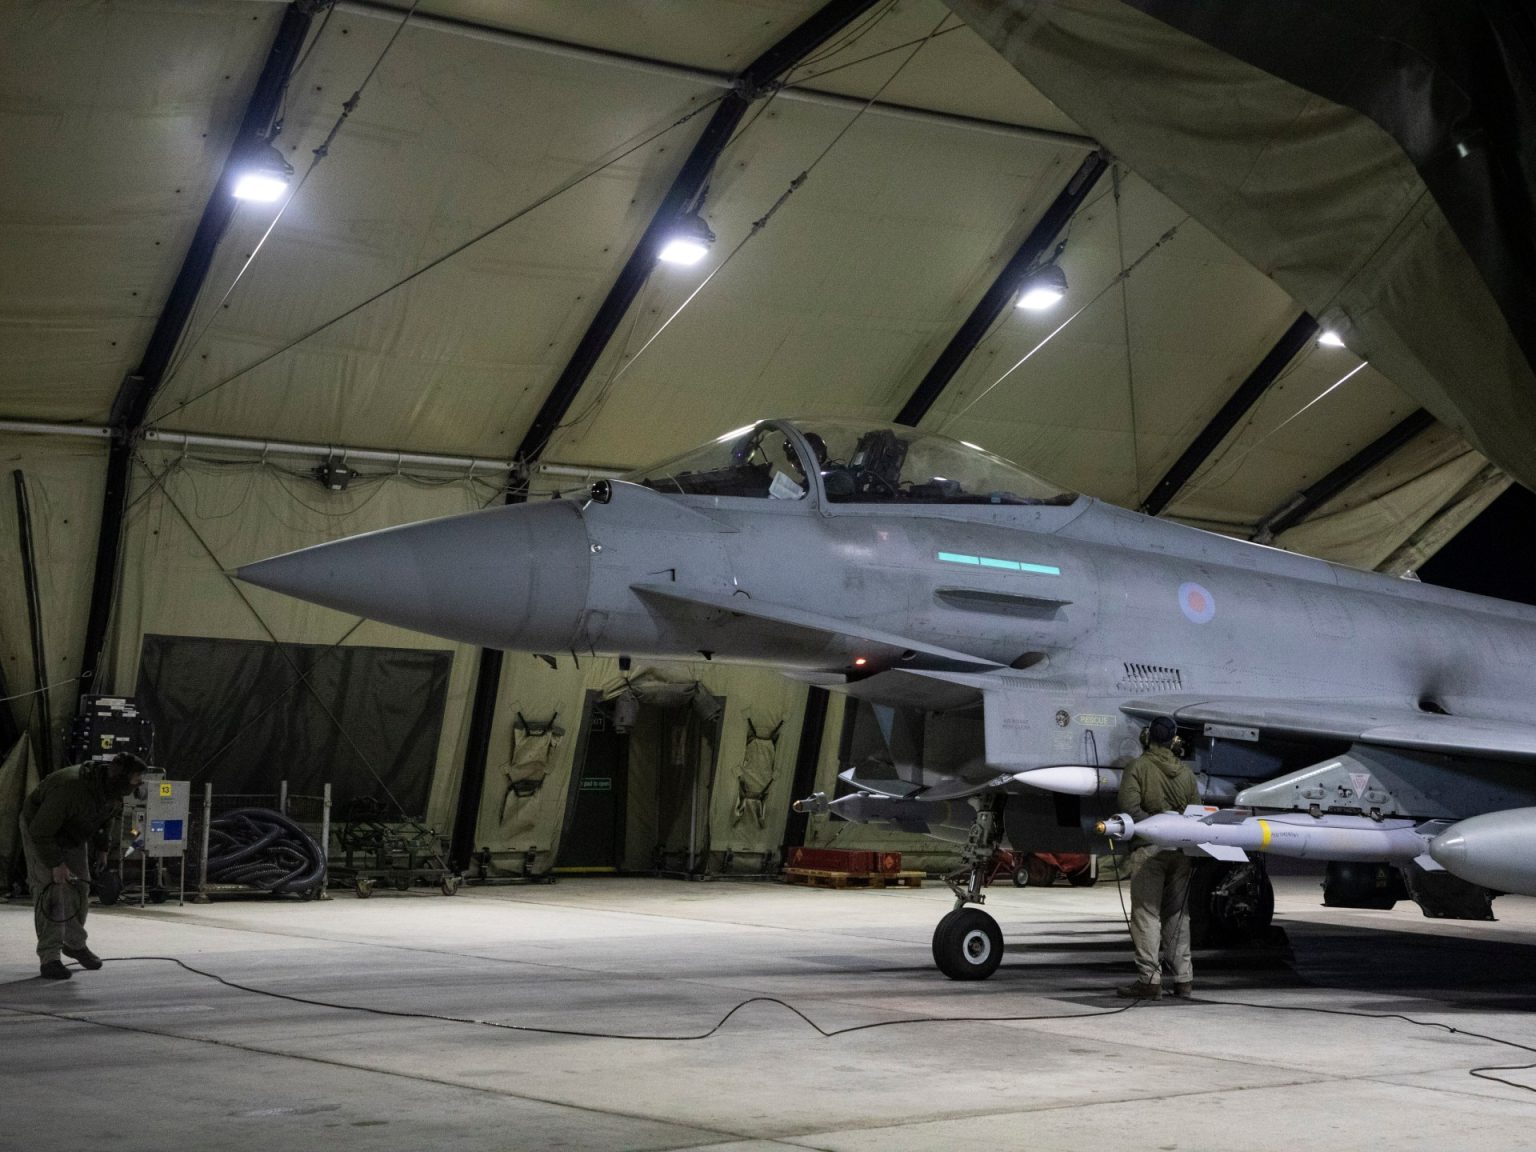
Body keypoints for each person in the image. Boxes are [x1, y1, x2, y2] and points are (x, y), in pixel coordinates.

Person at [19, 752, 146, 980]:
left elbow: (108, 818)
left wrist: (103, 849)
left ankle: (74, 944)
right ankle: (50, 958)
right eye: (136, 779)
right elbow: (41, 831)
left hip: (74, 831)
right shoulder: (71, 788)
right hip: (41, 831)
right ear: (121, 777)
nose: (139, 784)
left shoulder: (112, 790)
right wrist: (56, 864)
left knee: (80, 887)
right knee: (51, 891)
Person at [1115, 716, 1199, 1000]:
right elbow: (1196, 814)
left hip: (1148, 852)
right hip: (1181, 852)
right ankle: (1184, 980)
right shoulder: (1187, 774)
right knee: (1178, 915)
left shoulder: (1138, 767)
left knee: (1146, 914)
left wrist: (1153, 827)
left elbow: (1129, 808)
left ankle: (1150, 981)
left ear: (1147, 736)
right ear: (1173, 740)